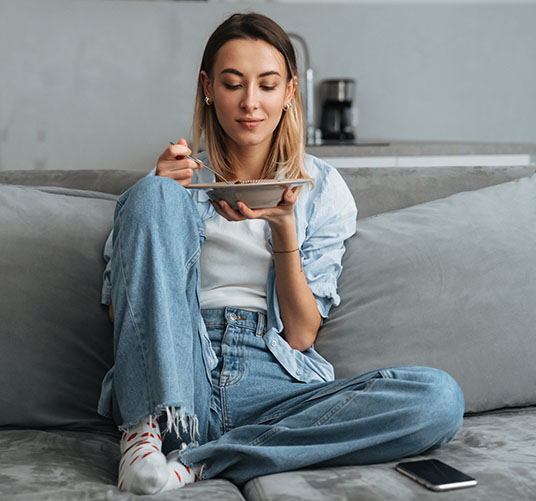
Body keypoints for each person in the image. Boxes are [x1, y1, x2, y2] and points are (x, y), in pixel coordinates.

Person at [97, 12, 464, 495]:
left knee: (438, 398)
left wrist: (284, 231)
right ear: (208, 88)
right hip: (182, 374)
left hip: (275, 384)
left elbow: (301, 334)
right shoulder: (176, 180)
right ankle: (146, 434)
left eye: (267, 85)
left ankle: (200, 462)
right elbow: (121, 315)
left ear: (290, 91)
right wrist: (156, 195)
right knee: (148, 195)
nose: (250, 103)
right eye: (233, 84)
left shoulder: (323, 188)